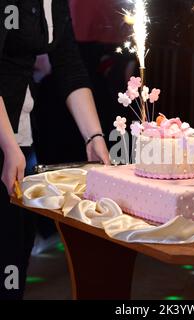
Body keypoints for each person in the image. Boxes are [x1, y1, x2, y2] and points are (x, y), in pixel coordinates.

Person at [0, 0, 110, 299]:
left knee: (15, 252)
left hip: (18, 133)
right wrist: (9, 146)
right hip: (5, 137)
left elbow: (69, 64)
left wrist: (94, 137)